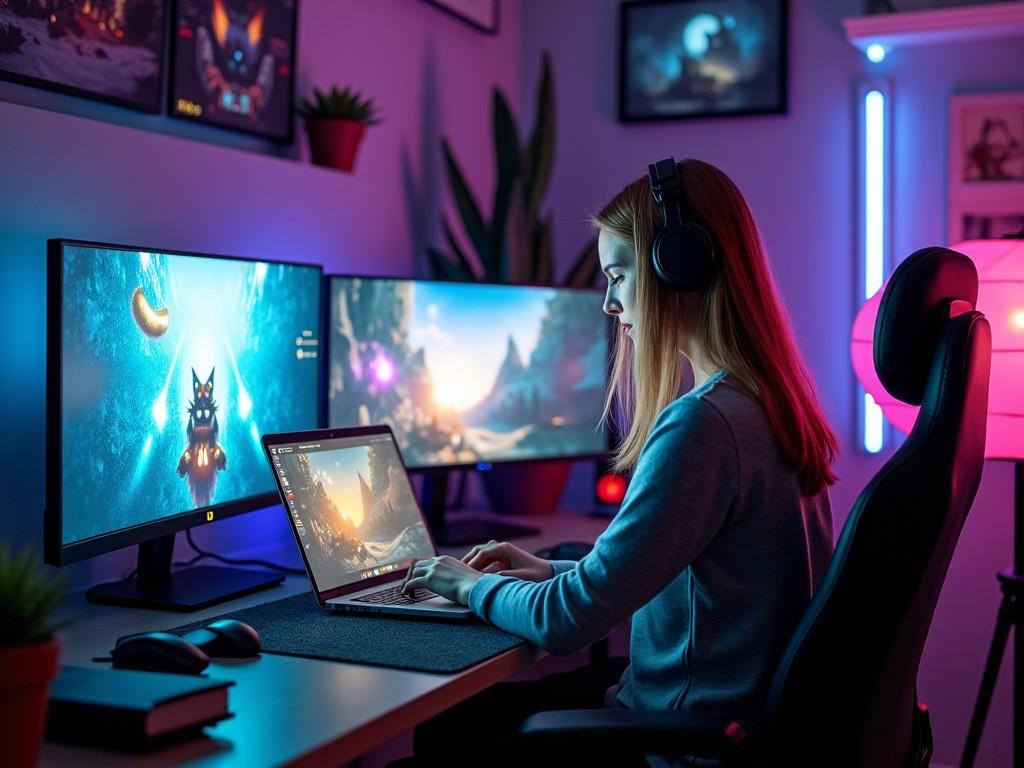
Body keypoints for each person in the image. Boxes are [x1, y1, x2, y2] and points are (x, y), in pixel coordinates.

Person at [398, 158, 838, 766]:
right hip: (718, 719)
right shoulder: (764, 405)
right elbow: (666, 575)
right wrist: (552, 571)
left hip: (675, 740)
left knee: (439, 739)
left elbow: (567, 624)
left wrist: (469, 584)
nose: (608, 303)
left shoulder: (704, 424)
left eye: (618, 275)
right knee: (461, 722)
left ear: (680, 269)